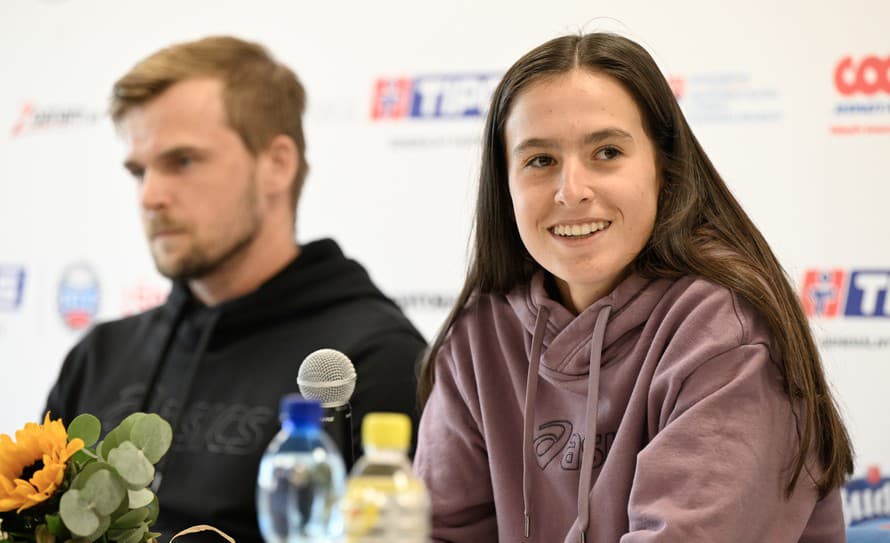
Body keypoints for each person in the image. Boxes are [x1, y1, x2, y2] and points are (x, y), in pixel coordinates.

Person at [415, 32, 853, 542]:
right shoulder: (479, 336)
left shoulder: (727, 334)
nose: (571, 190)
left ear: (664, 168)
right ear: (504, 182)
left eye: (606, 152)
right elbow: (438, 531)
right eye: (540, 160)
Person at [44, 36, 426, 543]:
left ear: (277, 165)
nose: (151, 196)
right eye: (139, 171)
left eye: (182, 161)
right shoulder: (98, 357)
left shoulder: (369, 360)